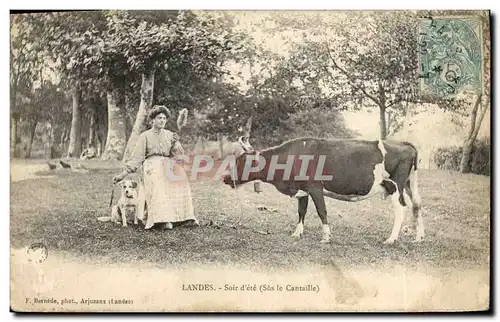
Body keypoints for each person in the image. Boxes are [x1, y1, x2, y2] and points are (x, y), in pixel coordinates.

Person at [112, 105, 199, 230]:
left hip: (167, 163)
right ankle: (162, 220)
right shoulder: (145, 136)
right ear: (152, 120)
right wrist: (122, 174)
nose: (162, 120)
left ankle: (184, 218)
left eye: (164, 118)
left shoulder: (170, 135)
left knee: (181, 177)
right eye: (159, 118)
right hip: (151, 164)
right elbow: (136, 158)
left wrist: (176, 144)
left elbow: (177, 155)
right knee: (159, 178)